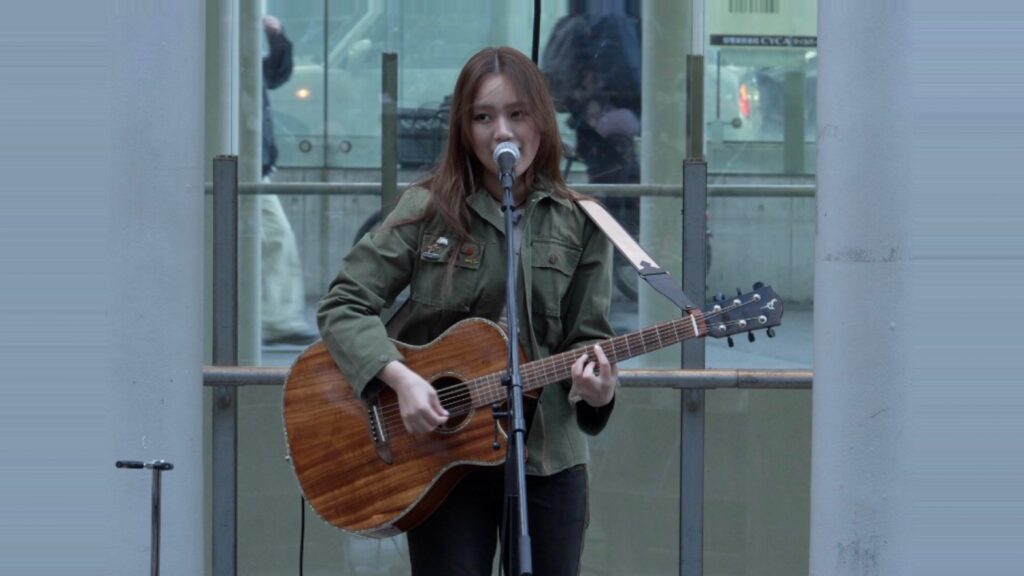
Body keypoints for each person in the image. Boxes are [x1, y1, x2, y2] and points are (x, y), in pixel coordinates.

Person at [318, 47, 619, 575]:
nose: (501, 132)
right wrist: (400, 380)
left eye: (516, 114)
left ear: (542, 122)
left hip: (546, 457)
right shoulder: (427, 208)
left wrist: (599, 390)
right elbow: (344, 303)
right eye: (483, 117)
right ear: (463, 128)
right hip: (442, 459)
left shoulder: (584, 222)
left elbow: (588, 342)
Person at [261, 15, 317, 345]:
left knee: (273, 239)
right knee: (275, 237)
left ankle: (276, 318)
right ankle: (277, 319)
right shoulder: (230, 53)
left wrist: (277, 38)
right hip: (248, 165)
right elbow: (276, 75)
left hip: (254, 165)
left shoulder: (241, 53)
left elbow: (275, 74)